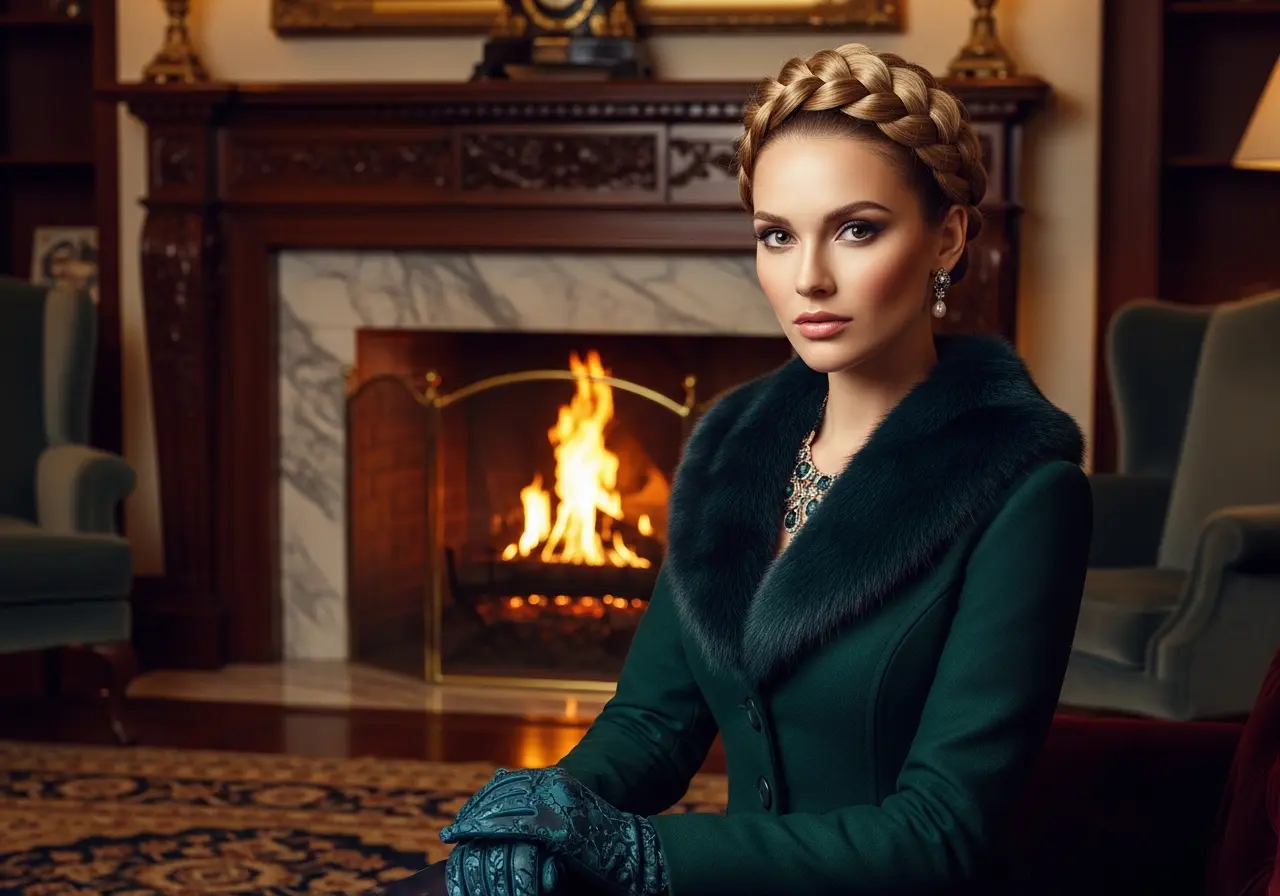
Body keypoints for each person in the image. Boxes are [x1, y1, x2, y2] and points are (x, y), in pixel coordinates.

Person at [412, 42, 1094, 895]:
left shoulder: (1026, 494)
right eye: (777, 236)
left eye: (856, 230)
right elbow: (653, 722)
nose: (808, 278)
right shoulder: (734, 447)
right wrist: (545, 811)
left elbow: (941, 832)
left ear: (946, 237)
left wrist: (644, 856)